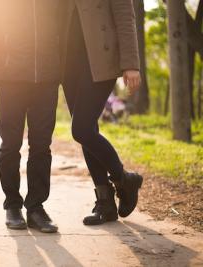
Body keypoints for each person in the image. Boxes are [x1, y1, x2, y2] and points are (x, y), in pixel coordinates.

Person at [0, 0, 62, 233]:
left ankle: (36, 207)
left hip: (48, 77)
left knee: (42, 144)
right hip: (11, 76)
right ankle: (12, 205)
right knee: (11, 144)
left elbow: (66, 27)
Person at [60, 0, 143, 225]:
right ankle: (105, 203)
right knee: (87, 129)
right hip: (67, 63)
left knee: (82, 129)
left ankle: (124, 178)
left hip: (101, 59)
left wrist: (131, 63)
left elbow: (125, 15)